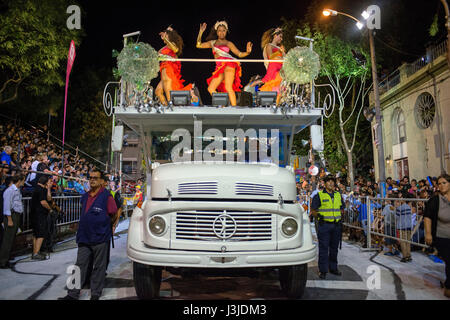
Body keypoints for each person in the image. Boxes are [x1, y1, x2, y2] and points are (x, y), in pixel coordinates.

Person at [59, 169, 117, 300]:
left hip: (100, 237)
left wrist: (106, 226)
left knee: (99, 267)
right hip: (84, 236)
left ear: (102, 181)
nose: (92, 180)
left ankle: (95, 294)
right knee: (79, 266)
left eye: (95, 178)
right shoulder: (85, 197)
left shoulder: (107, 196)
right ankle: (72, 294)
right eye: (90, 177)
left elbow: (114, 213)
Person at [196, 21, 252, 106]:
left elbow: (239, 54)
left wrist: (247, 52)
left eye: (223, 30)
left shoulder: (229, 43)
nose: (221, 32)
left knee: (228, 87)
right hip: (219, 68)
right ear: (217, 32)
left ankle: (234, 108)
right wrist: (201, 32)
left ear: (226, 31)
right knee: (211, 88)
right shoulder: (212, 43)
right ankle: (222, 104)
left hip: (229, 65)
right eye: (219, 30)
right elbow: (198, 45)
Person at [310, 175, 345, 279]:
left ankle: (333, 268)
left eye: (332, 181)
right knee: (324, 248)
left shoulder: (338, 195)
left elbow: (342, 208)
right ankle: (323, 270)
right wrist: (319, 216)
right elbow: (313, 210)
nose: (330, 183)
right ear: (324, 184)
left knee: (334, 248)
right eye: (328, 181)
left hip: (336, 226)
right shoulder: (319, 195)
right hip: (324, 225)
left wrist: (340, 218)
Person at [424, 173, 450, 298]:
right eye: (439, 183)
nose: (441, 186)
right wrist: (428, 234)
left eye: (444, 183)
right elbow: (427, 217)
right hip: (442, 236)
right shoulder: (435, 200)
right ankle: (449, 286)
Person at [156, 26, 193, 105]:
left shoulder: (172, 44)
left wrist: (166, 39)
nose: (163, 37)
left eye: (166, 35)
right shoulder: (165, 47)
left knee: (167, 85)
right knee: (158, 91)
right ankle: (166, 106)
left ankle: (170, 105)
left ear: (169, 36)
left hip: (168, 67)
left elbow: (175, 49)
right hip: (163, 68)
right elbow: (157, 55)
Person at [251, 27, 285, 104]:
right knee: (275, 84)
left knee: (280, 86)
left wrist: (283, 53)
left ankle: (277, 104)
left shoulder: (280, 48)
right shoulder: (269, 45)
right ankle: (261, 81)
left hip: (281, 68)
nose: (281, 39)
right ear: (275, 36)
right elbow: (271, 57)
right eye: (280, 36)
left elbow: (285, 58)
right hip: (274, 68)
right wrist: (280, 56)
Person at [0, 174, 25, 269]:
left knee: (11, 239)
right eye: (23, 180)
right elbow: (7, 206)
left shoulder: (16, 190)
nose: (23, 182)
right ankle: (3, 261)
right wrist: (9, 219)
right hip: (11, 216)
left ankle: (6, 259)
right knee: (7, 239)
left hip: (16, 215)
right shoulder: (10, 190)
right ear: (19, 180)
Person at [30, 175, 53, 260]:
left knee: (36, 234)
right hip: (39, 214)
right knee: (41, 234)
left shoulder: (36, 188)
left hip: (34, 214)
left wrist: (48, 189)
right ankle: (36, 253)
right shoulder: (42, 189)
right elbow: (44, 202)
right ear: (46, 182)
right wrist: (50, 209)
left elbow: (48, 198)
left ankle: (35, 252)